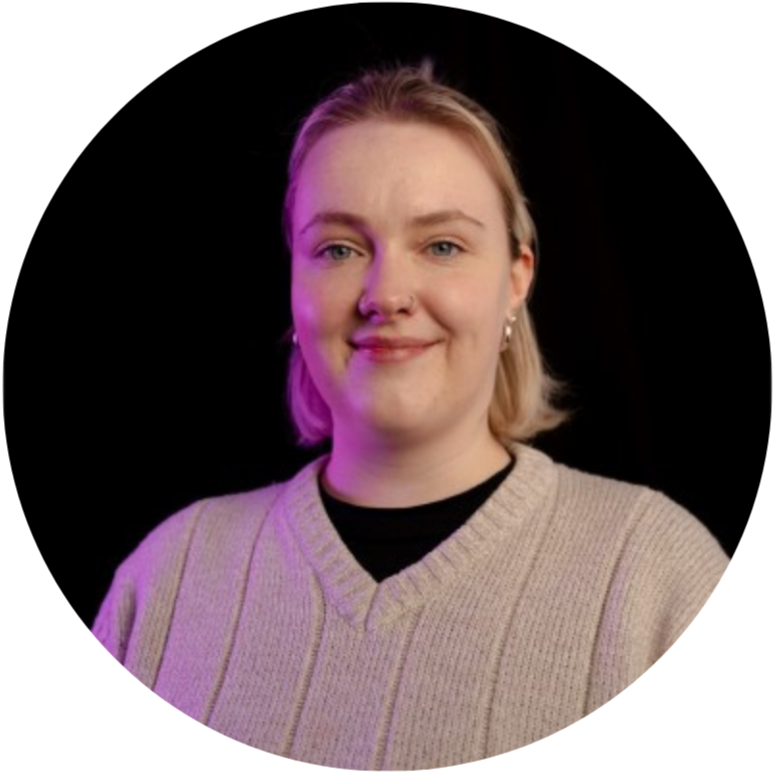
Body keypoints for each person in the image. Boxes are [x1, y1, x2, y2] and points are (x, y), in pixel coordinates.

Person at [91, 58, 731, 771]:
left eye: (442, 245)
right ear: (295, 284)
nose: (385, 292)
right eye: (338, 248)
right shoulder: (166, 581)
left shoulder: (675, 579)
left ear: (516, 278)